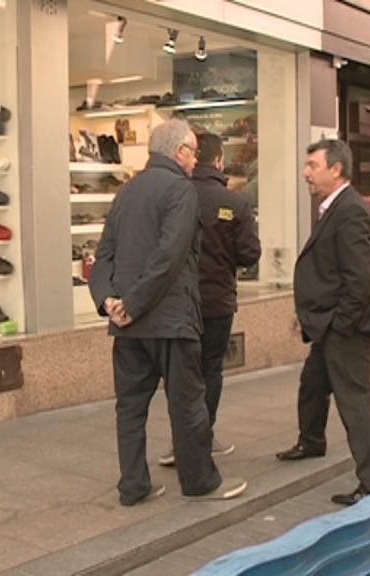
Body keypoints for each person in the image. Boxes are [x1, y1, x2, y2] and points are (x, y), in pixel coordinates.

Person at [88, 119, 247, 506]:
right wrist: (131, 304)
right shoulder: (180, 189)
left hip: (128, 327)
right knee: (188, 404)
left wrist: (109, 300)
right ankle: (200, 482)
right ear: (179, 152)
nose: (196, 160)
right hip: (170, 321)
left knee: (129, 409)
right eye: (193, 151)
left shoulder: (126, 192)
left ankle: (134, 486)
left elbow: (103, 254)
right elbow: (169, 257)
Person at [275, 138, 370, 506]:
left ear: (336, 170)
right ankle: (311, 442)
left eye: (312, 165)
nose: (305, 173)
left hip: (348, 329)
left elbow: (359, 281)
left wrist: (339, 325)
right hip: (329, 324)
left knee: (355, 403)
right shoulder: (334, 208)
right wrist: (310, 316)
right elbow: (328, 273)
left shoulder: (350, 211)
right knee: (313, 384)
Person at [159, 132, 261, 467]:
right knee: (211, 370)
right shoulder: (235, 202)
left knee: (181, 373)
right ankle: (202, 437)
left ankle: (180, 441)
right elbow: (249, 254)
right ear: (218, 161)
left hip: (178, 302)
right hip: (217, 302)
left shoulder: (174, 195)